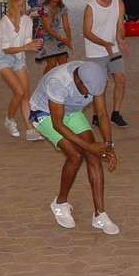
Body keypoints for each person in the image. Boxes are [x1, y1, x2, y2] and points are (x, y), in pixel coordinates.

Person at [29, 61, 119, 234]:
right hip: (44, 113)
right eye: (88, 91)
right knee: (76, 155)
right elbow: (57, 124)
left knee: (94, 156)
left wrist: (109, 144)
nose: (90, 95)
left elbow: (101, 113)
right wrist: (89, 146)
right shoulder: (58, 82)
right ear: (78, 80)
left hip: (71, 112)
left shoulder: (94, 78)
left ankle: (99, 215)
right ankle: (60, 203)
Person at [0, 0, 43, 141]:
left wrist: (34, 43)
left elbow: (27, 41)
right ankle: (9, 119)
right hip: (3, 58)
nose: (22, 9)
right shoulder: (4, 22)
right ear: (12, 6)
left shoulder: (27, 20)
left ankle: (30, 129)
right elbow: (6, 49)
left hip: (19, 57)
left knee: (25, 94)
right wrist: (27, 47)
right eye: (19, 6)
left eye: (23, 5)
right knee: (19, 92)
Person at [83, 0, 130, 128]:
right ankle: (97, 114)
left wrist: (121, 40)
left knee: (121, 79)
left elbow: (120, 26)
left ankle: (116, 113)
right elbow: (86, 32)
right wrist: (104, 44)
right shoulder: (91, 7)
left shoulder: (119, 3)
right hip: (95, 52)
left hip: (113, 49)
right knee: (101, 85)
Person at [35, 0, 72, 75]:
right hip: (44, 36)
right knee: (52, 63)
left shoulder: (63, 8)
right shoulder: (44, 8)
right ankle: (44, 81)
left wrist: (69, 39)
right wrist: (62, 39)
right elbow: (48, 29)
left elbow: (66, 26)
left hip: (56, 34)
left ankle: (61, 80)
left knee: (63, 60)